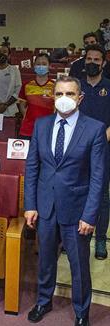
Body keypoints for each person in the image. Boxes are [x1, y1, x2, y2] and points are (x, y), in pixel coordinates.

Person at [24, 76, 106, 326]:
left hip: (77, 211)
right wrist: (30, 205)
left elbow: (98, 177)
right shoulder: (41, 125)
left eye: (69, 93)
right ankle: (44, 300)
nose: (64, 98)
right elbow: (33, 167)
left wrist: (90, 215)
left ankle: (81, 312)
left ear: (80, 98)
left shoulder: (94, 129)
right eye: (59, 93)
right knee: (46, 259)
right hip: (46, 206)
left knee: (79, 265)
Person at [79, 44, 110, 259]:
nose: (92, 63)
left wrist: (99, 140)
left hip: (103, 149)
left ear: (104, 63)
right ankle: (75, 236)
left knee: (102, 196)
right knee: (77, 193)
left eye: (96, 60)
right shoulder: (76, 86)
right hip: (77, 151)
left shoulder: (109, 87)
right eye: (89, 59)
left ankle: (100, 240)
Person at [17, 53, 55, 139]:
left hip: (48, 129)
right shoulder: (26, 85)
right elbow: (22, 106)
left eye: (44, 64)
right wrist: (29, 118)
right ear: (34, 66)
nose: (41, 66)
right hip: (28, 130)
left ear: (49, 66)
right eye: (38, 64)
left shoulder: (55, 86)